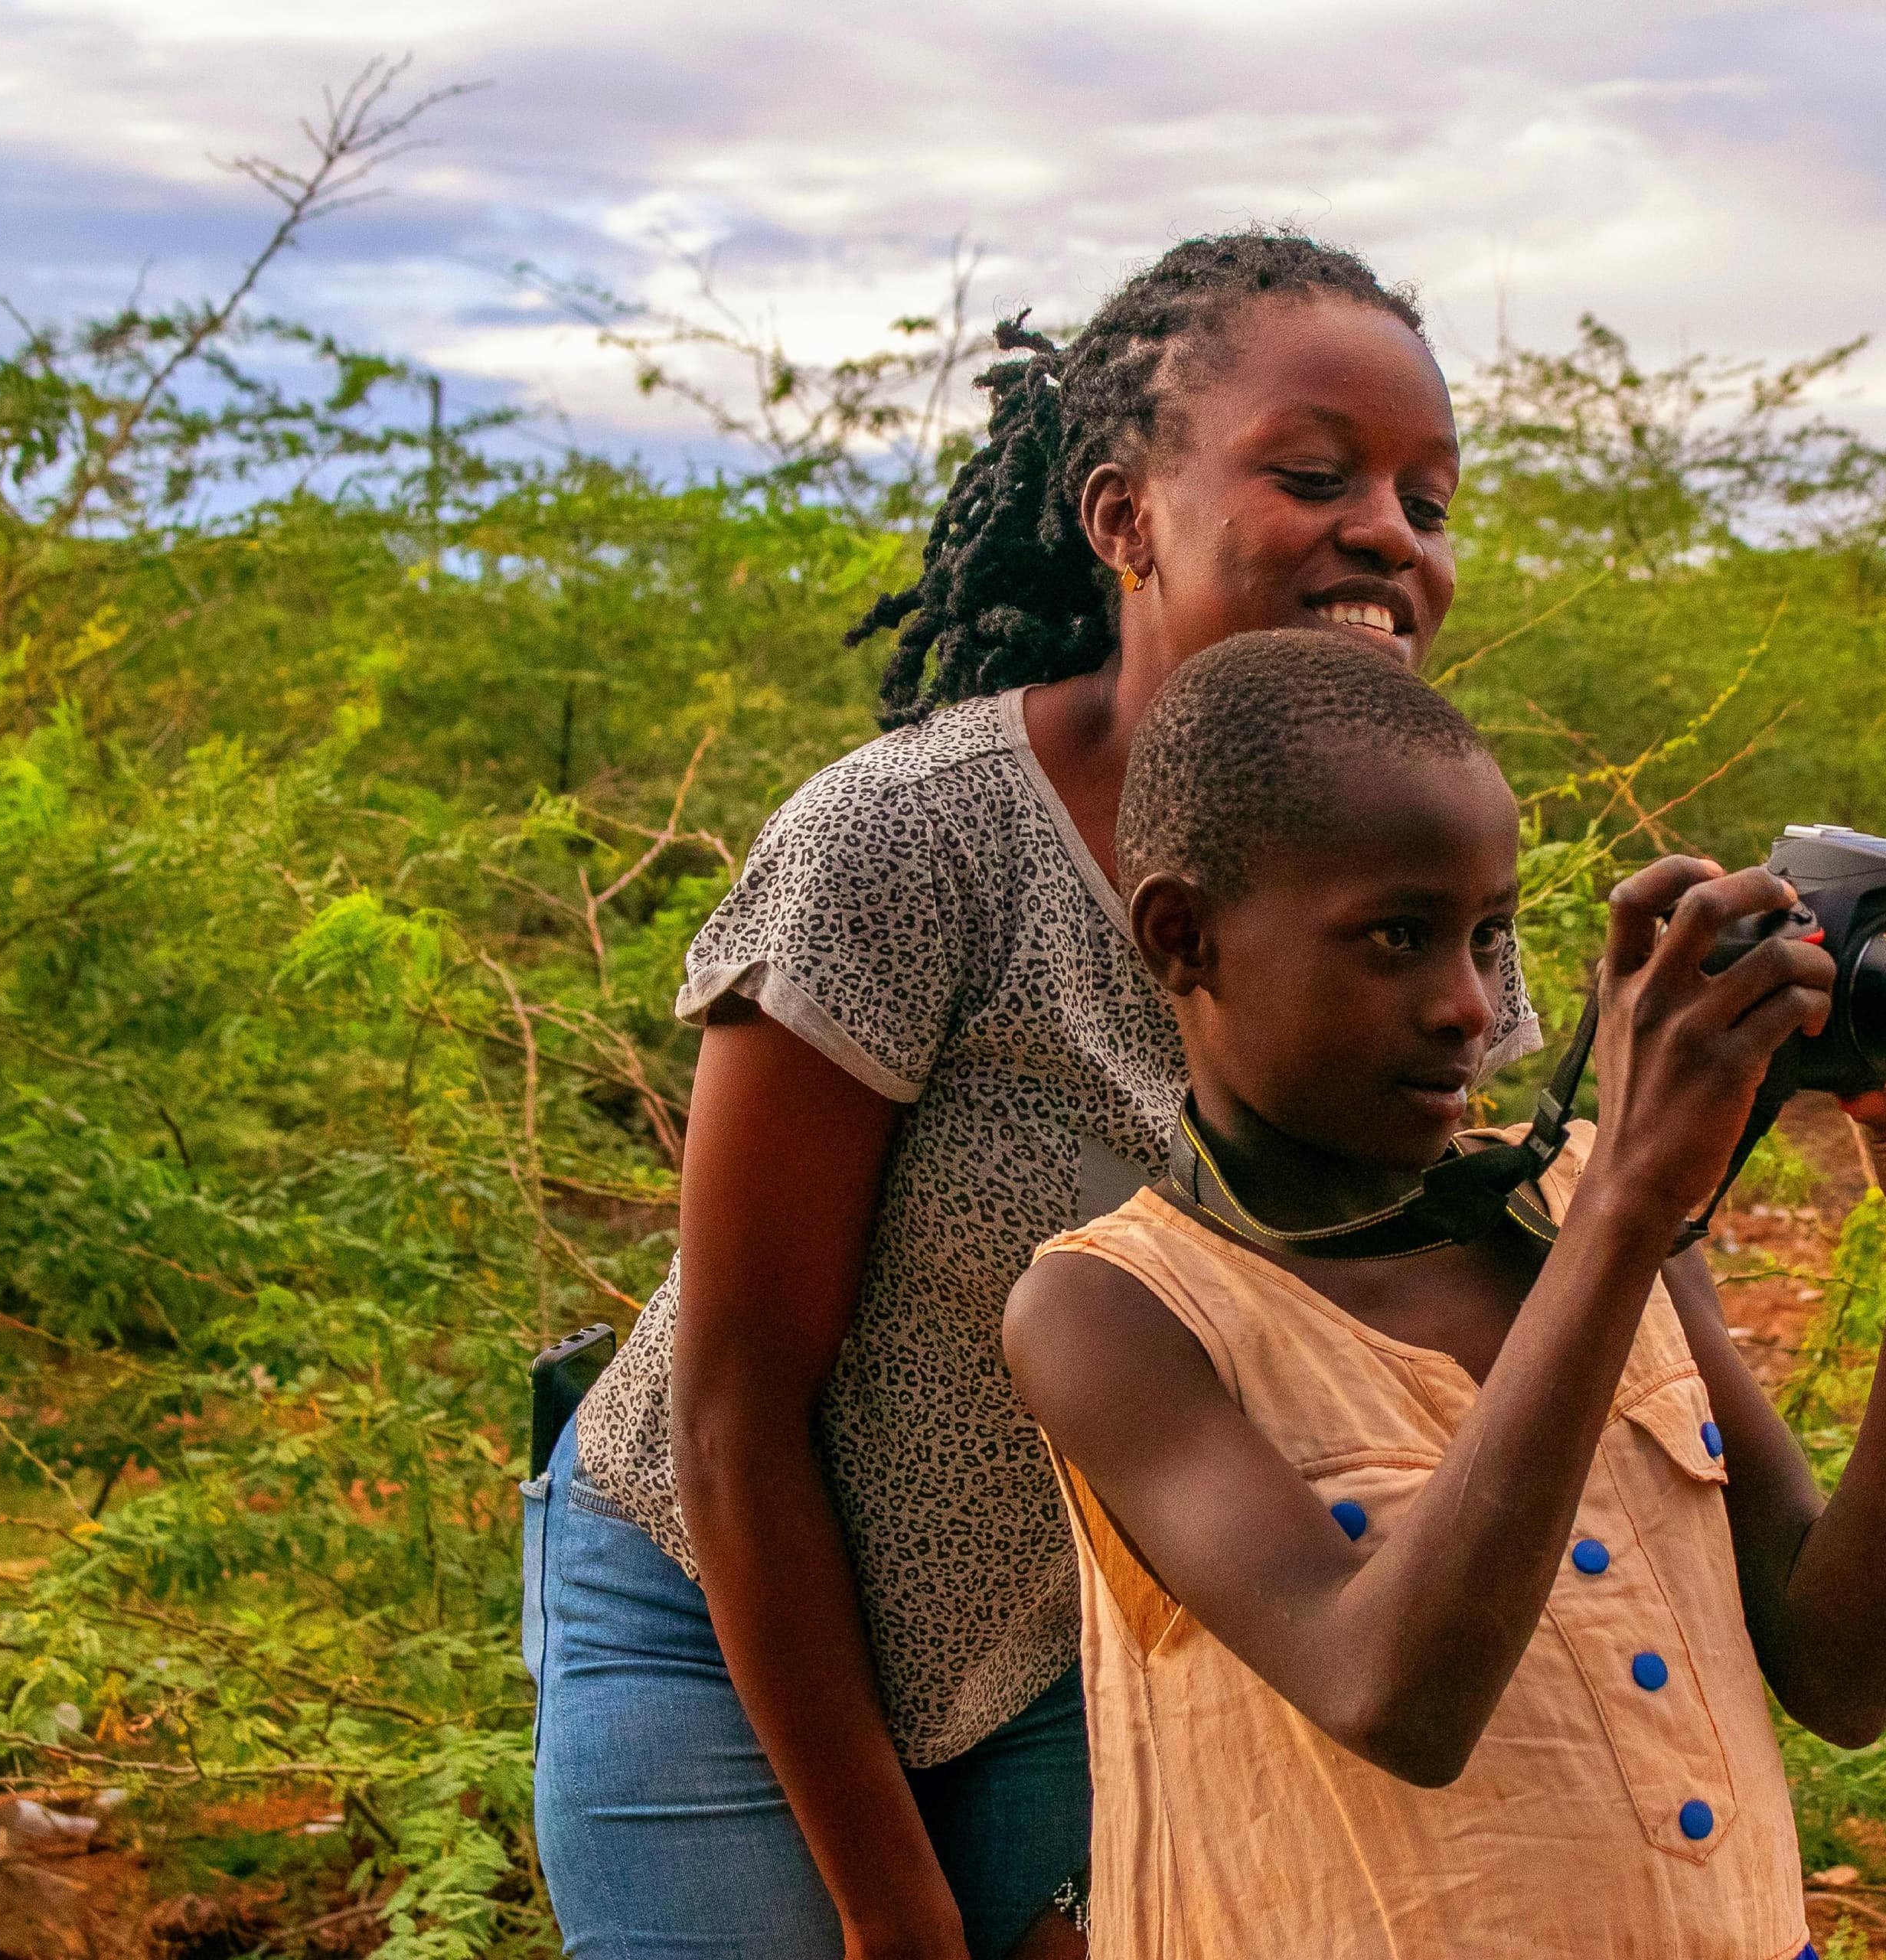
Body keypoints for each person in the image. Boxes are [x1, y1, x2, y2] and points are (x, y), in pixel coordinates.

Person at [521, 233, 1540, 1960]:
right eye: (1314, 475)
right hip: (718, 1611)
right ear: (1123, 517)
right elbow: (736, 1409)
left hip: (1091, 1638)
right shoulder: (909, 844)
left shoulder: (1425, 892)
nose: (1389, 531)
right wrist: (897, 1914)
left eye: (1428, 502)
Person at [1004, 631, 1886, 1959]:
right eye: (1396, 938)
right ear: (1184, 937)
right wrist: (1629, 1210)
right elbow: (1393, 1696)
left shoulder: (1585, 1211)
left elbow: (1845, 1672)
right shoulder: (1113, 1313)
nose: (1469, 1005)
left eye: (1492, 935)